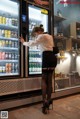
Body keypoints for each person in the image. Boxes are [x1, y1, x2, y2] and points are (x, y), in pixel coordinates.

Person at [19, 25, 57, 114]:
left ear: (39, 31)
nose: (36, 35)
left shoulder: (41, 36)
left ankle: (44, 102)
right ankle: (49, 100)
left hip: (46, 57)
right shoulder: (50, 36)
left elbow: (32, 44)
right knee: (49, 80)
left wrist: (23, 42)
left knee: (44, 79)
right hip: (52, 58)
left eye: (35, 34)